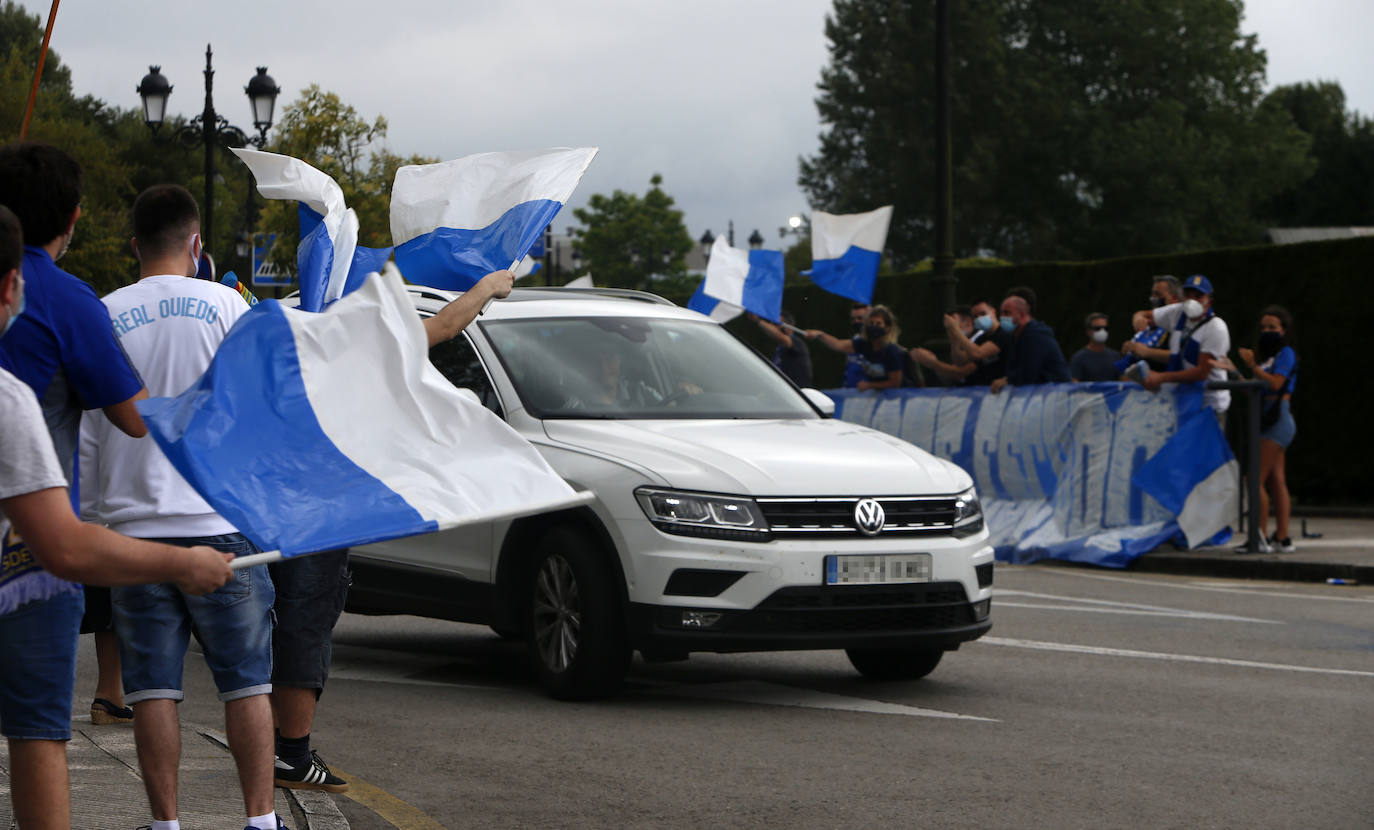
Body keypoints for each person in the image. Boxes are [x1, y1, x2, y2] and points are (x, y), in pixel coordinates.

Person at [0, 203, 233, 830]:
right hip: (34, 574)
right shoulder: (17, 392)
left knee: (143, 689)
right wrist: (183, 563)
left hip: (121, 521)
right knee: (36, 730)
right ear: (11, 286)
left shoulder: (104, 307)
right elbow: (65, 546)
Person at [78, 184, 285, 830]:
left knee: (150, 690)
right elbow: (260, 411)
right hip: (223, 523)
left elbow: (89, 429)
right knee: (247, 683)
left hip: (135, 532)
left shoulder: (103, 314)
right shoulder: (230, 306)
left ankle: (166, 824)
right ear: (196, 244)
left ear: (134, 245)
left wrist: (92, 521)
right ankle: (260, 820)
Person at [268, 266, 514, 794]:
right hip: (323, 516)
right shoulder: (357, 350)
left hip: (274, 506)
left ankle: (272, 744)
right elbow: (444, 326)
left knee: (275, 627)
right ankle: (291, 754)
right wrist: (488, 287)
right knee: (305, 628)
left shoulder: (288, 338)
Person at [0, 143, 152, 729]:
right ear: (73, 218)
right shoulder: (68, 300)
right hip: (34, 551)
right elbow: (134, 417)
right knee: (37, 731)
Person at [1237, 306, 1298, 553]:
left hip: (1277, 419)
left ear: (1284, 330)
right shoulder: (1268, 358)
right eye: (1263, 327)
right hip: (1268, 417)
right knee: (1275, 480)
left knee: (1254, 479)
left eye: (1272, 327)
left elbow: (1275, 384)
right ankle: (1281, 538)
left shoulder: (1286, 354)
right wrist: (1234, 371)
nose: (1266, 332)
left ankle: (1259, 535)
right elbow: (1256, 388)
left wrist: (1253, 366)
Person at [1141, 274, 1231, 427]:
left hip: (1209, 406)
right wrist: (1139, 321)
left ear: (1209, 301)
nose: (1192, 300)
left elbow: (1201, 372)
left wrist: (1161, 377)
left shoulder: (1216, 327)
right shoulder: (1177, 313)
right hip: (1183, 402)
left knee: (1204, 444)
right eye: (1188, 295)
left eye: (1198, 296)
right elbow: (1144, 315)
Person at [806, 304, 905, 392]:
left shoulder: (891, 351)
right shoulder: (864, 345)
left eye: (878, 324)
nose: (874, 326)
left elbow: (895, 382)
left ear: (887, 327)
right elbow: (838, 344)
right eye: (871, 323)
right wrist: (820, 335)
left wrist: (870, 385)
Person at [988, 293, 1071, 393]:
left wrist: (1008, 380)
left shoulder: (1036, 335)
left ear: (1022, 315)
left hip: (1056, 394)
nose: (1002, 317)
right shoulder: (1015, 337)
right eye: (1001, 313)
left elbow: (1029, 373)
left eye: (1007, 313)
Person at [1122, 275, 1181, 370]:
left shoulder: (1178, 324)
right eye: (1152, 294)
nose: (1153, 298)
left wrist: (1146, 352)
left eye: (1158, 294)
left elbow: (1180, 356)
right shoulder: (1151, 322)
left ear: (1174, 299)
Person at [910, 306, 978, 386]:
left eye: (952, 323)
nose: (948, 327)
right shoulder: (961, 345)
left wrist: (931, 362)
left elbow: (960, 373)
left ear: (968, 322)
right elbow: (955, 370)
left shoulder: (980, 340)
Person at [751, 310, 812, 387]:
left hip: (795, 390)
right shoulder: (780, 347)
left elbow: (783, 338)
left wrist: (758, 321)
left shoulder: (797, 343)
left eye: (776, 324)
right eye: (771, 324)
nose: (771, 327)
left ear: (788, 326)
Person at [1069, 312, 1123, 382]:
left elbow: (1125, 382)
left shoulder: (1116, 356)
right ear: (1088, 331)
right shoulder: (1078, 358)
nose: (1102, 331)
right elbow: (1074, 384)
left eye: (1106, 328)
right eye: (1098, 328)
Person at [1115, 310, 1167, 380]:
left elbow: (1174, 356)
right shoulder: (1146, 330)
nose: (1148, 320)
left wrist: (1146, 351)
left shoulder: (1167, 329)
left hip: (1152, 377)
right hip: (1123, 372)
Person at [840, 302, 871, 387]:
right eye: (853, 319)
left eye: (860, 318)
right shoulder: (855, 339)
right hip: (850, 390)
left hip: (868, 391)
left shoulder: (878, 342)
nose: (856, 321)